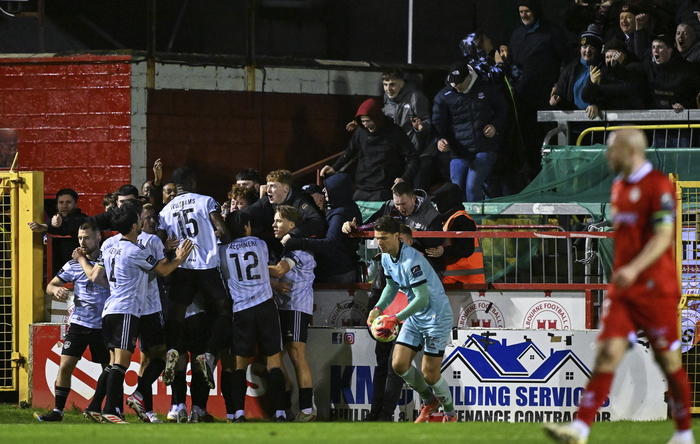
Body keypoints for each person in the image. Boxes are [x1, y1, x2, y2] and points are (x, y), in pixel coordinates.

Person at [544, 128, 694, 444]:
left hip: (656, 289)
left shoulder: (659, 186)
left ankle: (683, 433)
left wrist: (636, 268)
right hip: (624, 292)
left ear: (629, 150)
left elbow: (663, 236)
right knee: (607, 355)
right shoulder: (618, 187)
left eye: (611, 150)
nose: (607, 156)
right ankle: (580, 429)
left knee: (669, 362)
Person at [75, 204, 193, 423]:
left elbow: (97, 275)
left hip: (110, 309)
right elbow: (164, 270)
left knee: (114, 363)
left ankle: (95, 407)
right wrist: (180, 257)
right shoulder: (136, 251)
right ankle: (111, 410)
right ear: (133, 225)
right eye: (139, 219)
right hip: (127, 310)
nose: (142, 222)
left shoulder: (109, 244)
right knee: (121, 363)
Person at [367, 216, 457, 423]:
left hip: (436, 317)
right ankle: (429, 401)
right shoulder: (387, 257)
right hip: (416, 317)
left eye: (384, 238)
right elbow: (391, 287)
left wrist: (395, 319)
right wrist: (378, 309)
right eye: (377, 238)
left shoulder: (412, 260)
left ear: (397, 236)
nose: (379, 242)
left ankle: (450, 414)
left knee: (430, 375)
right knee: (398, 364)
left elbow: (422, 298)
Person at [158, 166, 231, 391]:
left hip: (181, 266)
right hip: (206, 266)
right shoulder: (206, 201)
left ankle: (173, 349)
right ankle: (208, 354)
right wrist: (215, 235)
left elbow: (161, 243)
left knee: (176, 315)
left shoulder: (165, 210)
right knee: (225, 310)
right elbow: (223, 231)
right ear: (191, 181)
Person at [33, 222, 110, 423]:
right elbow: (51, 285)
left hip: (105, 323)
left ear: (98, 237)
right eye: (79, 238)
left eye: (87, 237)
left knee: (109, 368)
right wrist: (55, 290)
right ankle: (58, 411)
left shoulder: (109, 259)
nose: (82, 242)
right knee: (65, 365)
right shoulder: (72, 264)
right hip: (79, 323)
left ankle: (106, 409)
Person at [220, 211, 288, 423]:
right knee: (273, 361)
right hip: (265, 306)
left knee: (240, 364)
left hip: (241, 309)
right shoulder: (260, 244)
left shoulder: (222, 251)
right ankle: (280, 412)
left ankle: (239, 413)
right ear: (247, 226)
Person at [500, 0, 574, 177]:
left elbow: (569, 60)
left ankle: (556, 177)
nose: (524, 15)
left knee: (550, 138)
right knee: (527, 140)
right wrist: (506, 57)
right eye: (521, 12)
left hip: (546, 98)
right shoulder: (517, 33)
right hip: (522, 99)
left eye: (527, 11)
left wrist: (559, 86)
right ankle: (533, 178)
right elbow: (516, 64)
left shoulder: (552, 32)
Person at [432, 62, 508, 202]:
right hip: (459, 152)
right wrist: (439, 140)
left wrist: (495, 126)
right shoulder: (443, 96)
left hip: (484, 148)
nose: (456, 86)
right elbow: (437, 124)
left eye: (459, 82)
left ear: (469, 77)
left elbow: (503, 110)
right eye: (453, 83)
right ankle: (458, 222)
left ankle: (476, 223)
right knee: (455, 189)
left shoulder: (486, 88)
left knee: (472, 187)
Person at [268, 205, 317, 422]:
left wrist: (251, 262)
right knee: (273, 358)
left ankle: (307, 409)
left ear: (292, 225)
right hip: (281, 307)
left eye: (279, 221)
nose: (274, 225)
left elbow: (279, 271)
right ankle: (284, 406)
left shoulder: (299, 251)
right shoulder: (286, 251)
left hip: (296, 308)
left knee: (297, 356)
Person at [320, 98, 419, 202]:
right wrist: (334, 167)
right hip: (362, 187)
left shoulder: (395, 133)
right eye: (362, 121)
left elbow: (414, 159)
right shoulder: (360, 132)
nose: (366, 125)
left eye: (368, 120)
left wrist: (404, 179)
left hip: (385, 188)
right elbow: (349, 152)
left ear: (377, 118)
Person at [285, 173, 362, 284]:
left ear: (338, 189)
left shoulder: (339, 214)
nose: (324, 190)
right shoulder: (348, 206)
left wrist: (298, 242)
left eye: (329, 187)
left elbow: (330, 243)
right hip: (344, 268)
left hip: (336, 272)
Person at [243, 169, 326, 262]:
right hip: (274, 254)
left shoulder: (300, 200)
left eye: (272, 186)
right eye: (268, 186)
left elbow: (317, 221)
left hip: (299, 255)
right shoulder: (265, 201)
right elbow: (245, 214)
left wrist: (292, 235)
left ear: (286, 189)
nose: (268, 190)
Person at [346, 182, 443, 261]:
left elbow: (435, 242)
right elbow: (373, 225)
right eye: (397, 204)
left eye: (403, 203)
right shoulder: (389, 208)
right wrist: (355, 228)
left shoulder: (431, 215)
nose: (400, 208)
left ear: (413, 199)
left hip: (420, 261)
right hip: (391, 259)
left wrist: (417, 234)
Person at [430, 183, 485, 284]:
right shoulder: (451, 219)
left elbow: (466, 248)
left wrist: (443, 251)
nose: (435, 206)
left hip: (465, 282)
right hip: (457, 281)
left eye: (438, 202)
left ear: (446, 201)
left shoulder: (461, 219)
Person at [28, 188, 89, 276]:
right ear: (56, 205)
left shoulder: (82, 219)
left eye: (68, 202)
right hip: (56, 272)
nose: (64, 206)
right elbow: (51, 225)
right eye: (61, 202)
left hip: (77, 271)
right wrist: (42, 227)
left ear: (76, 205)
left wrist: (48, 227)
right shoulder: (54, 219)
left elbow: (72, 224)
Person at [550, 26, 604, 120]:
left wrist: (597, 105)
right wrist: (555, 98)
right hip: (573, 124)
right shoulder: (569, 69)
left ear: (598, 50)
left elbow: (608, 95)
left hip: (597, 125)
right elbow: (561, 91)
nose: (587, 51)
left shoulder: (604, 68)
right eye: (584, 46)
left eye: (592, 47)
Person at [581, 38, 647, 111]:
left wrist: (616, 67)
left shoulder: (635, 67)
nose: (610, 60)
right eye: (607, 57)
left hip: (632, 117)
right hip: (610, 118)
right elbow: (586, 97)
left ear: (623, 56)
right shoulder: (603, 71)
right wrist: (592, 83)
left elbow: (626, 88)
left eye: (613, 56)